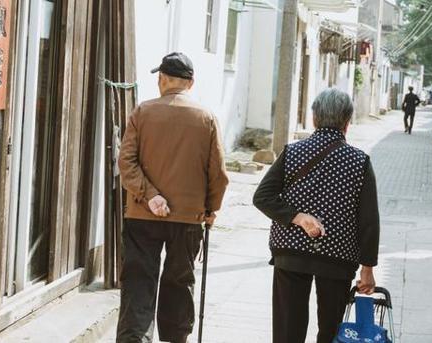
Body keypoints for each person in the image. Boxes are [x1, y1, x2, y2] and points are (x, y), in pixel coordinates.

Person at [117, 52, 229, 343]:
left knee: (139, 280)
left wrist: (150, 195)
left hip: (142, 214)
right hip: (189, 217)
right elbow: (218, 173)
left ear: (161, 79)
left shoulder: (142, 112)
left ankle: (135, 338)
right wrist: (211, 209)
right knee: (179, 281)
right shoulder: (206, 119)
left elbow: (126, 163)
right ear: (191, 84)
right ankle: (175, 338)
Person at [253, 88, 381, 343]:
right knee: (332, 331)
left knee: (288, 331)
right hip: (338, 258)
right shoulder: (360, 162)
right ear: (347, 122)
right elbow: (369, 221)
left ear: (314, 118)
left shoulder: (292, 153)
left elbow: (262, 197)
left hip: (291, 254)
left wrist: (296, 217)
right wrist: (368, 268)